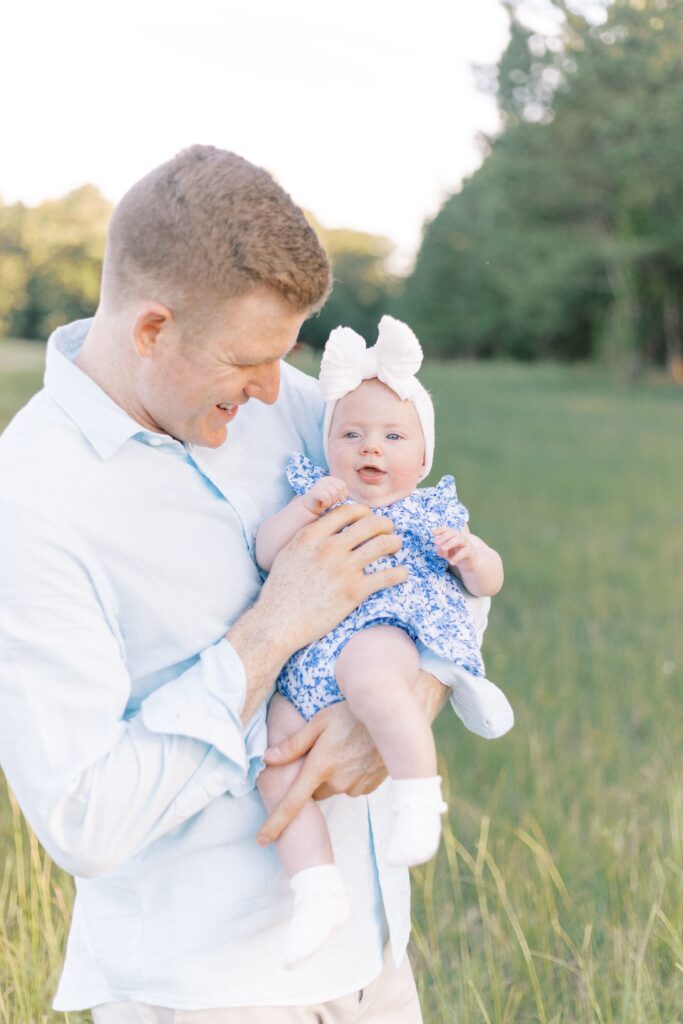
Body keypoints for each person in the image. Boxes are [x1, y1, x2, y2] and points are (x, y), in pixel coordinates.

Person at [0, 145, 507, 1023]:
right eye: (249, 359)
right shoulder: (33, 500)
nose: (278, 388)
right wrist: (271, 631)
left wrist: (405, 698)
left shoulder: (293, 407)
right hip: (210, 991)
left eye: (288, 354)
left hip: (376, 963)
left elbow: (436, 566)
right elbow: (84, 818)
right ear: (152, 328)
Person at [255, 315, 508, 966]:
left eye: (393, 436)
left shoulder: (429, 510)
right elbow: (265, 551)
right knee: (275, 760)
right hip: (305, 655)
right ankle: (316, 889)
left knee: (370, 682)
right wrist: (304, 509)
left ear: (422, 457)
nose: (371, 448)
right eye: (352, 433)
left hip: (382, 627)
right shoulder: (315, 495)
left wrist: (470, 555)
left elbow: (488, 581)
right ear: (327, 442)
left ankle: (419, 797)